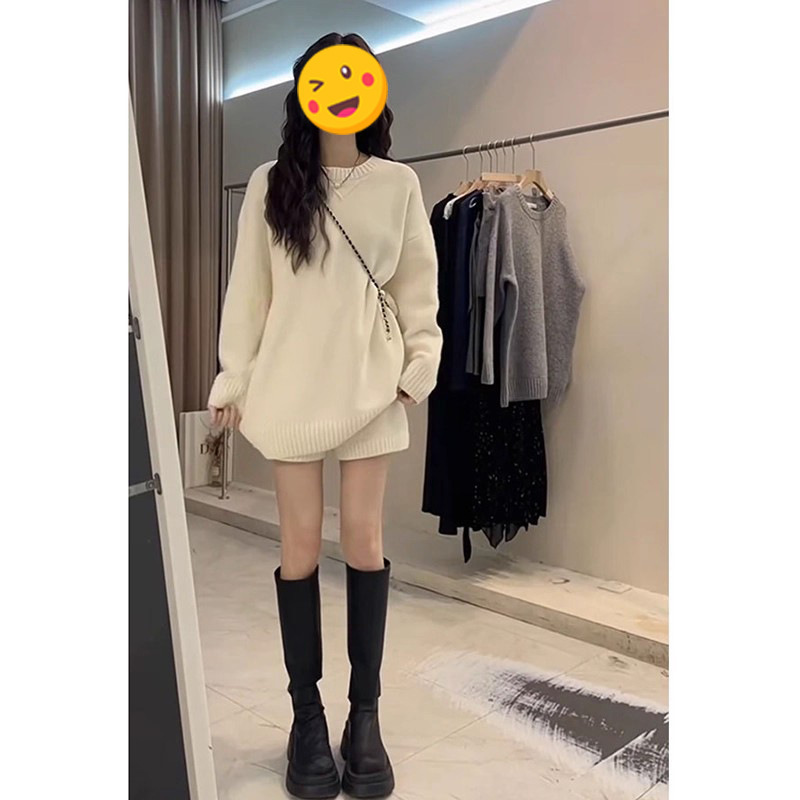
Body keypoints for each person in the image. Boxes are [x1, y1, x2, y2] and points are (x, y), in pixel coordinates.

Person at [207, 32, 442, 800]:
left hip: (371, 386)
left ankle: (363, 716)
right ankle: (306, 717)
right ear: (303, 91)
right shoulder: (270, 182)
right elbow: (250, 293)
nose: (339, 90)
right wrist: (234, 377)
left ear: (371, 91)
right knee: (300, 546)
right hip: (291, 386)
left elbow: (416, 286)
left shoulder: (397, 183)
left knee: (365, 541)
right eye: (324, 78)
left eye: (352, 77)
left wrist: (417, 366)